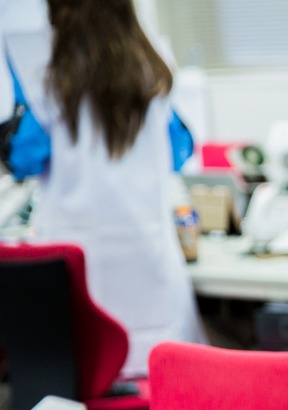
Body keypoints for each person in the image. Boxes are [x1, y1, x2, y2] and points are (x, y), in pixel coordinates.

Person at [2, 0, 203, 377]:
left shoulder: (40, 65)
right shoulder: (153, 61)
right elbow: (180, 149)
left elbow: (25, 158)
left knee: (86, 373)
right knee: (164, 379)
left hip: (78, 272)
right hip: (151, 262)